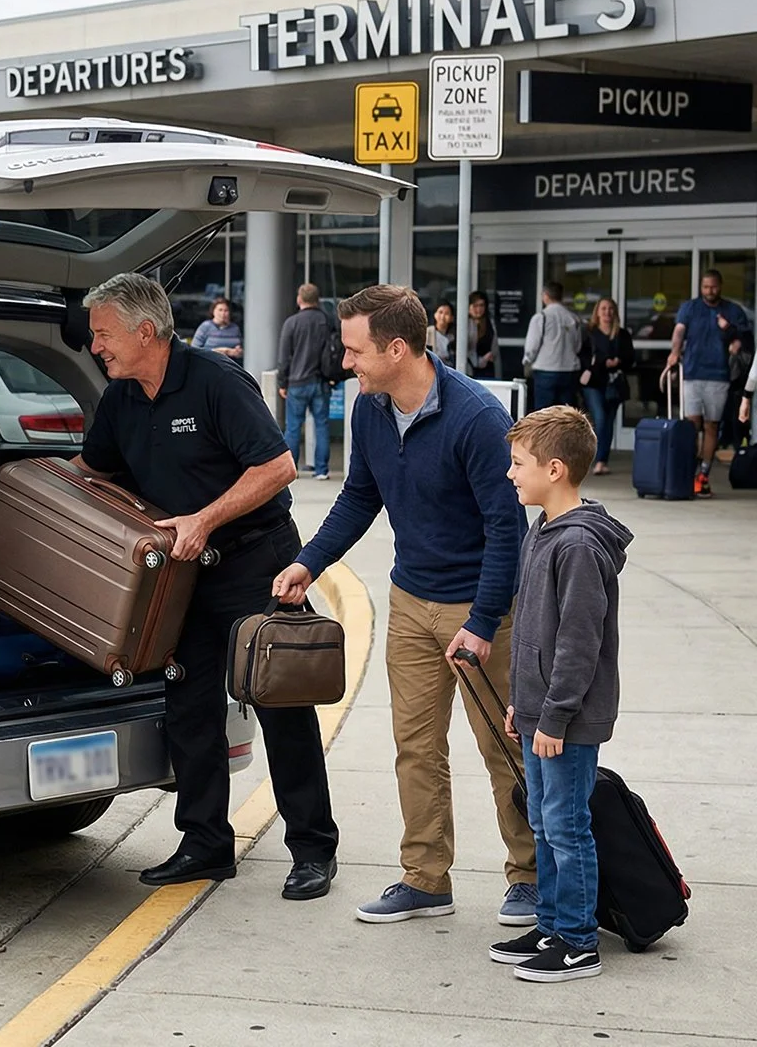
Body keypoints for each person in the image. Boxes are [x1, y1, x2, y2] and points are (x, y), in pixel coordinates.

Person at [0, 273, 339, 900]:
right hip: (181, 577)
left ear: (144, 331)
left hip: (254, 561)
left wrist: (204, 519)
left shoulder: (215, 381)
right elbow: (87, 474)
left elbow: (278, 466)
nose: (95, 347)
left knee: (282, 702)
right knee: (189, 705)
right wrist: (19, 485)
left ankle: (313, 848)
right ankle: (206, 844)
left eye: (103, 335)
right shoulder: (121, 398)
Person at [272, 284, 537, 927]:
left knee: (505, 750)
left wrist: (480, 623)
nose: (345, 363)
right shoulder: (370, 409)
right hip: (411, 601)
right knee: (415, 746)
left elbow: (508, 530)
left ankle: (531, 876)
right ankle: (425, 878)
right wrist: (310, 561)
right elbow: (360, 496)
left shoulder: (476, 418)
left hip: (483, 610)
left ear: (398, 348)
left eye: (355, 350)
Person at [492, 405, 631, 983]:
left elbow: (577, 643)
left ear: (555, 469)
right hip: (539, 714)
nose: (510, 474)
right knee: (547, 824)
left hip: (566, 720)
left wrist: (551, 716)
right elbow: (532, 633)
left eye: (518, 464)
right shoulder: (543, 531)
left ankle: (577, 941)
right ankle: (551, 922)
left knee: (567, 825)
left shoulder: (578, 546)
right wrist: (522, 705)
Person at [665, 269, 753, 498]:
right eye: (705, 287)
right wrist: (675, 352)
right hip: (692, 373)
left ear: (720, 286)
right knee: (692, 425)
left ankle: (703, 473)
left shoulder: (732, 310)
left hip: (719, 375)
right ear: (701, 287)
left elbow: (746, 338)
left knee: (711, 426)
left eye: (713, 287)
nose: (709, 291)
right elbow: (679, 331)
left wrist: (736, 342)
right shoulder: (690, 308)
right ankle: (691, 470)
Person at [275, 283, 336, 481]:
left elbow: (284, 357)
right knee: (321, 425)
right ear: (317, 300)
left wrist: (282, 382)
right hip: (320, 381)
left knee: (293, 427)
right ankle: (322, 470)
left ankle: (291, 470)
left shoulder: (291, 323)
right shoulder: (326, 321)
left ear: (299, 299)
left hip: (297, 382)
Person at [580, 297, 634, 476]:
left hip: (614, 384)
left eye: (610, 309)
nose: (607, 312)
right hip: (594, 383)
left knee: (609, 421)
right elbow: (583, 357)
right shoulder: (590, 333)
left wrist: (619, 361)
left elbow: (630, 358)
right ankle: (593, 457)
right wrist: (603, 362)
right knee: (600, 418)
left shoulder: (622, 334)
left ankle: (602, 461)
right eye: (603, 309)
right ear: (597, 312)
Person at [524, 282, 584, 411]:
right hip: (569, 371)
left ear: (545, 296)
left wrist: (527, 362)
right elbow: (577, 346)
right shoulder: (573, 318)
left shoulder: (541, 317)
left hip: (545, 370)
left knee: (544, 414)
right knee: (567, 415)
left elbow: (532, 347)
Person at [190, 299, 243, 364]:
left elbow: (241, 349)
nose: (223, 313)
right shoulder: (205, 326)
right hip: (210, 363)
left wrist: (238, 352)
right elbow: (194, 349)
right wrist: (215, 351)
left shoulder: (235, 328)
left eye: (226, 310)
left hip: (231, 364)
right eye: (220, 310)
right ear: (213, 311)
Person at [465, 291, 500, 379]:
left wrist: (491, 355)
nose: (479, 309)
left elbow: (494, 344)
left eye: (481, 305)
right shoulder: (465, 324)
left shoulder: (489, 322)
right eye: (475, 306)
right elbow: (465, 349)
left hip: (489, 368)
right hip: (471, 370)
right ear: (469, 307)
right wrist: (480, 361)